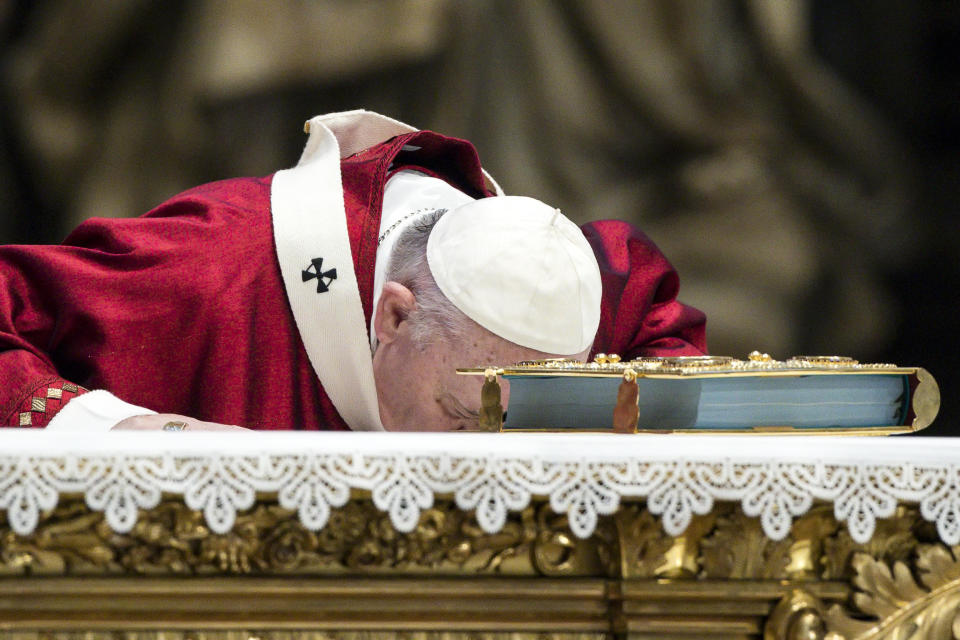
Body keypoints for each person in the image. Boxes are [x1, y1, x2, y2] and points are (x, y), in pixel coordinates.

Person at [0, 110, 706, 432]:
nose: (492, 458)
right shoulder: (216, 265)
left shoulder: (577, 288)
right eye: (464, 419)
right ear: (394, 315)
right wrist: (122, 433)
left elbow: (661, 337)